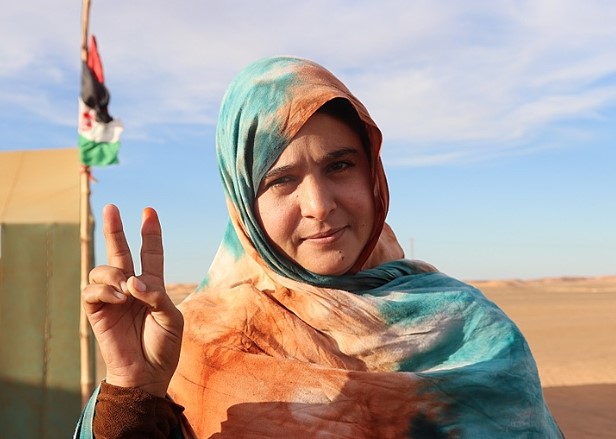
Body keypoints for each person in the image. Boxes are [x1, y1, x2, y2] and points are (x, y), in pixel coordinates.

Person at [75, 56, 563, 438]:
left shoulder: (475, 333)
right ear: (244, 204)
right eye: (281, 180)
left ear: (373, 173)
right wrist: (134, 394)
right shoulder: (194, 345)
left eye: (340, 166)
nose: (319, 206)